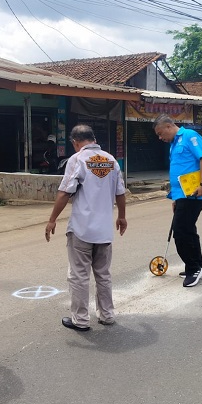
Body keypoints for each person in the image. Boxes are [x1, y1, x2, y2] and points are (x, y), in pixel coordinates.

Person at [45, 124, 127, 332]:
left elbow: (65, 192)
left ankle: (80, 320)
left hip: (82, 229)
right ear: (94, 138)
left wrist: (52, 219)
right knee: (103, 274)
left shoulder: (78, 159)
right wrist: (122, 217)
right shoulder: (111, 160)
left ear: (75, 142)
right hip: (104, 231)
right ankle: (107, 315)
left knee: (79, 275)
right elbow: (120, 192)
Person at [153, 114, 202, 288]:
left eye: (161, 133)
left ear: (169, 126)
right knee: (189, 231)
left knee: (181, 232)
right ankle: (200, 266)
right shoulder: (174, 144)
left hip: (193, 193)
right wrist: (175, 197)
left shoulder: (190, 136)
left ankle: (194, 268)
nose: (160, 138)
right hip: (182, 195)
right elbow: (180, 169)